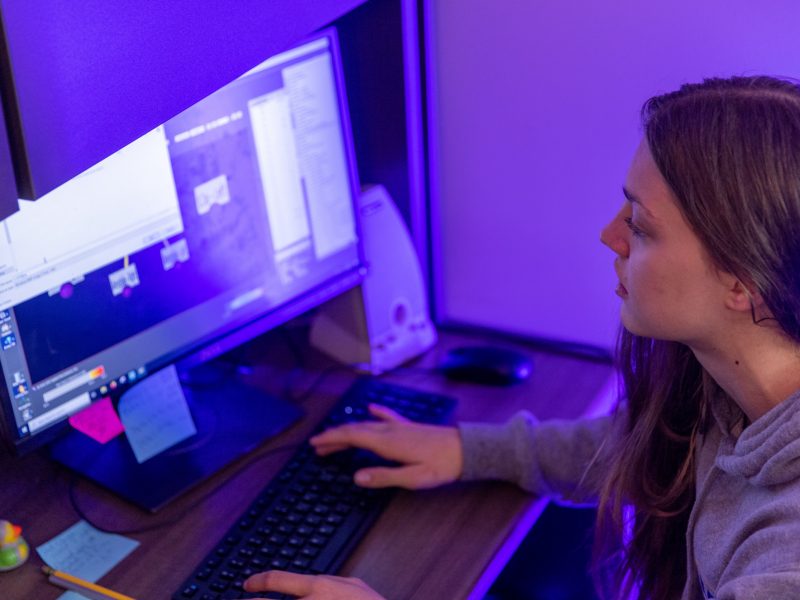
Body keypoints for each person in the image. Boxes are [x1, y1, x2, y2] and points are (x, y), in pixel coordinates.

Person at [244, 75, 800, 599]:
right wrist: (471, 450)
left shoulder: (787, 557)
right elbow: (660, 448)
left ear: (742, 281)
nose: (609, 235)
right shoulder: (736, 393)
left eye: (640, 224)